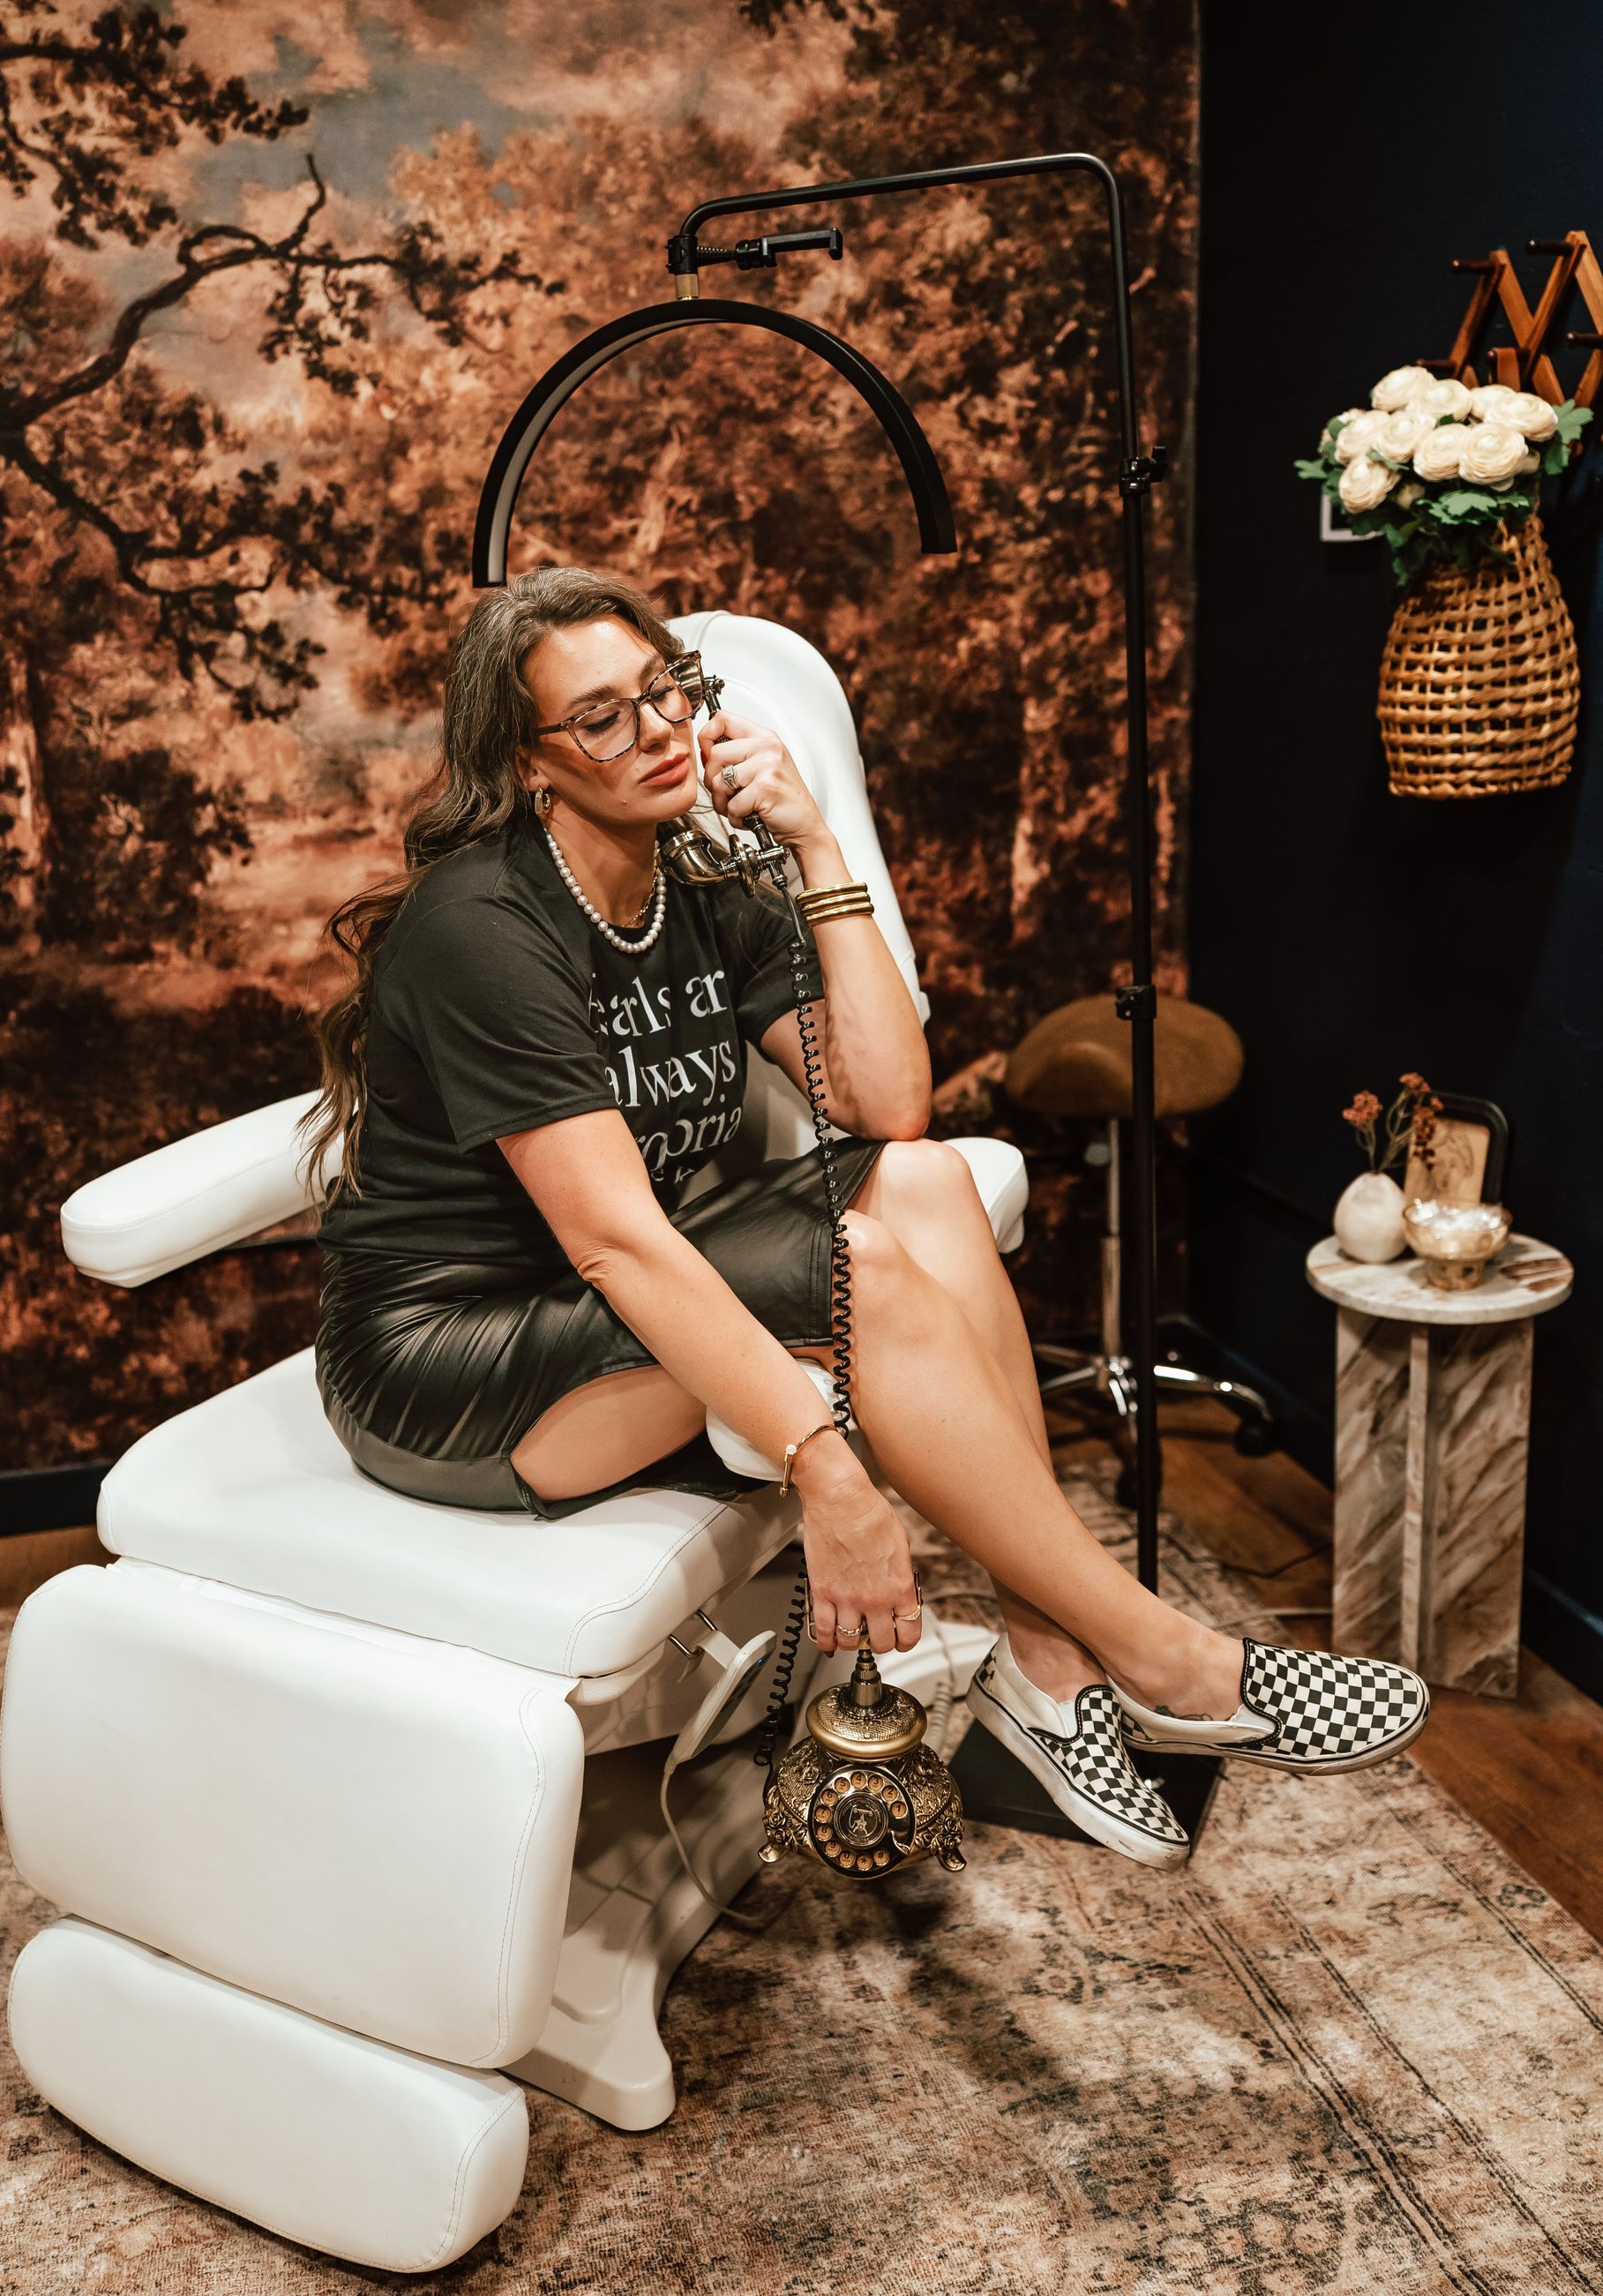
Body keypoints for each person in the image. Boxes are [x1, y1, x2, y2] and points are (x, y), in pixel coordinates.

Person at [303, 565, 1427, 1870]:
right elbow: (615, 1241)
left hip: (615, 1297)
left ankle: (1054, 1673)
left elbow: (888, 1105)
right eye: (601, 717)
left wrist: (817, 849)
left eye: (664, 691)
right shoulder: (486, 926)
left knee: (931, 1185)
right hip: (451, 1357)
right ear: (527, 760)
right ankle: (1173, 1664)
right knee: (866, 1267)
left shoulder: (694, 880)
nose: (658, 729)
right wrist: (827, 1470)